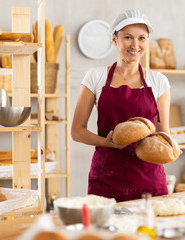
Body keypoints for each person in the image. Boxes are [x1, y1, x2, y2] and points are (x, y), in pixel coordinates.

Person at [71, 9, 173, 202]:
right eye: (128, 37)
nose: (135, 45)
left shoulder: (158, 81)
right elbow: (77, 131)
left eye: (142, 38)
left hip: (148, 179)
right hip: (106, 178)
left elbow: (163, 132)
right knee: (103, 232)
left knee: (148, 232)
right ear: (114, 40)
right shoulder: (96, 76)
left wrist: (171, 147)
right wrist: (107, 142)